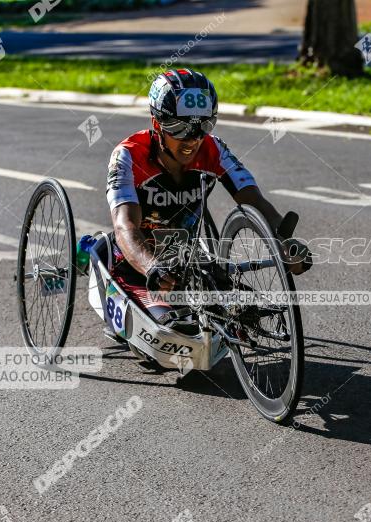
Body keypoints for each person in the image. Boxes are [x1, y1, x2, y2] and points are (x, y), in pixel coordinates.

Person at [105, 68, 310, 331]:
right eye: (180, 128)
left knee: (244, 316)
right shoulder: (128, 155)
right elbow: (125, 226)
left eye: (203, 126)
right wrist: (151, 267)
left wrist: (285, 241)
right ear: (157, 124)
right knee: (171, 334)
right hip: (138, 263)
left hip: (185, 262)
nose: (192, 139)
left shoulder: (214, 149)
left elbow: (254, 201)